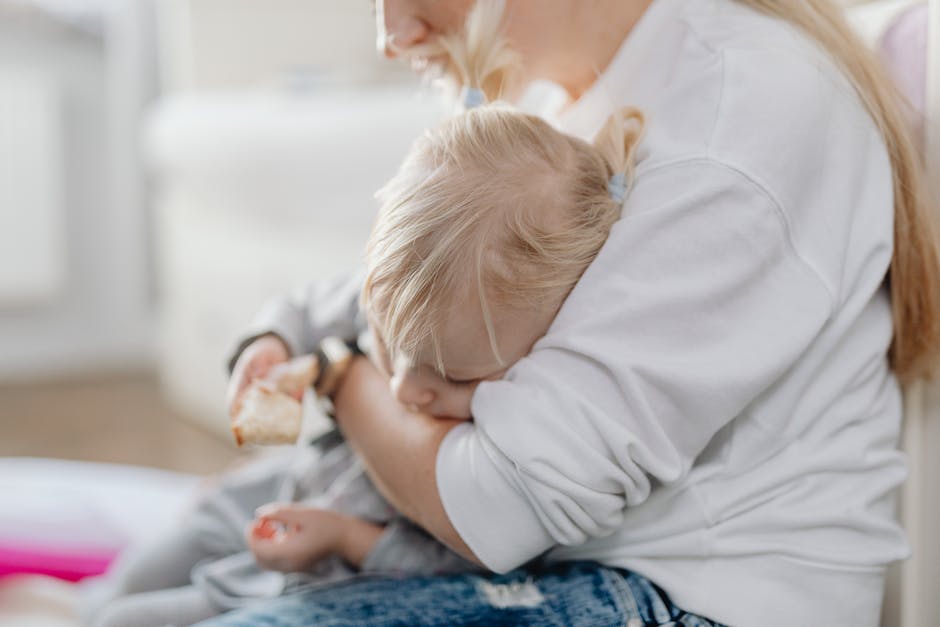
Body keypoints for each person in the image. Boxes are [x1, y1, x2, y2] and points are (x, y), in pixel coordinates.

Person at [198, 0, 940, 626]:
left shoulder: (737, 122)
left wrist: (338, 371)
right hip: (581, 563)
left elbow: (498, 504)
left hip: (686, 596)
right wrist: (287, 334)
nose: (392, 35)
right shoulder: (577, 98)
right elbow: (405, 284)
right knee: (211, 545)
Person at [85, 5, 651, 625]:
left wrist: (344, 538)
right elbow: (308, 308)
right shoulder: (411, 299)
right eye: (390, 344)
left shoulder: (515, 443)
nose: (404, 387)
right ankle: (76, 602)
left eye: (452, 378)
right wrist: (267, 346)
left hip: (306, 570)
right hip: (269, 494)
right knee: (138, 573)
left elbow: (468, 564)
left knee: (126, 621)